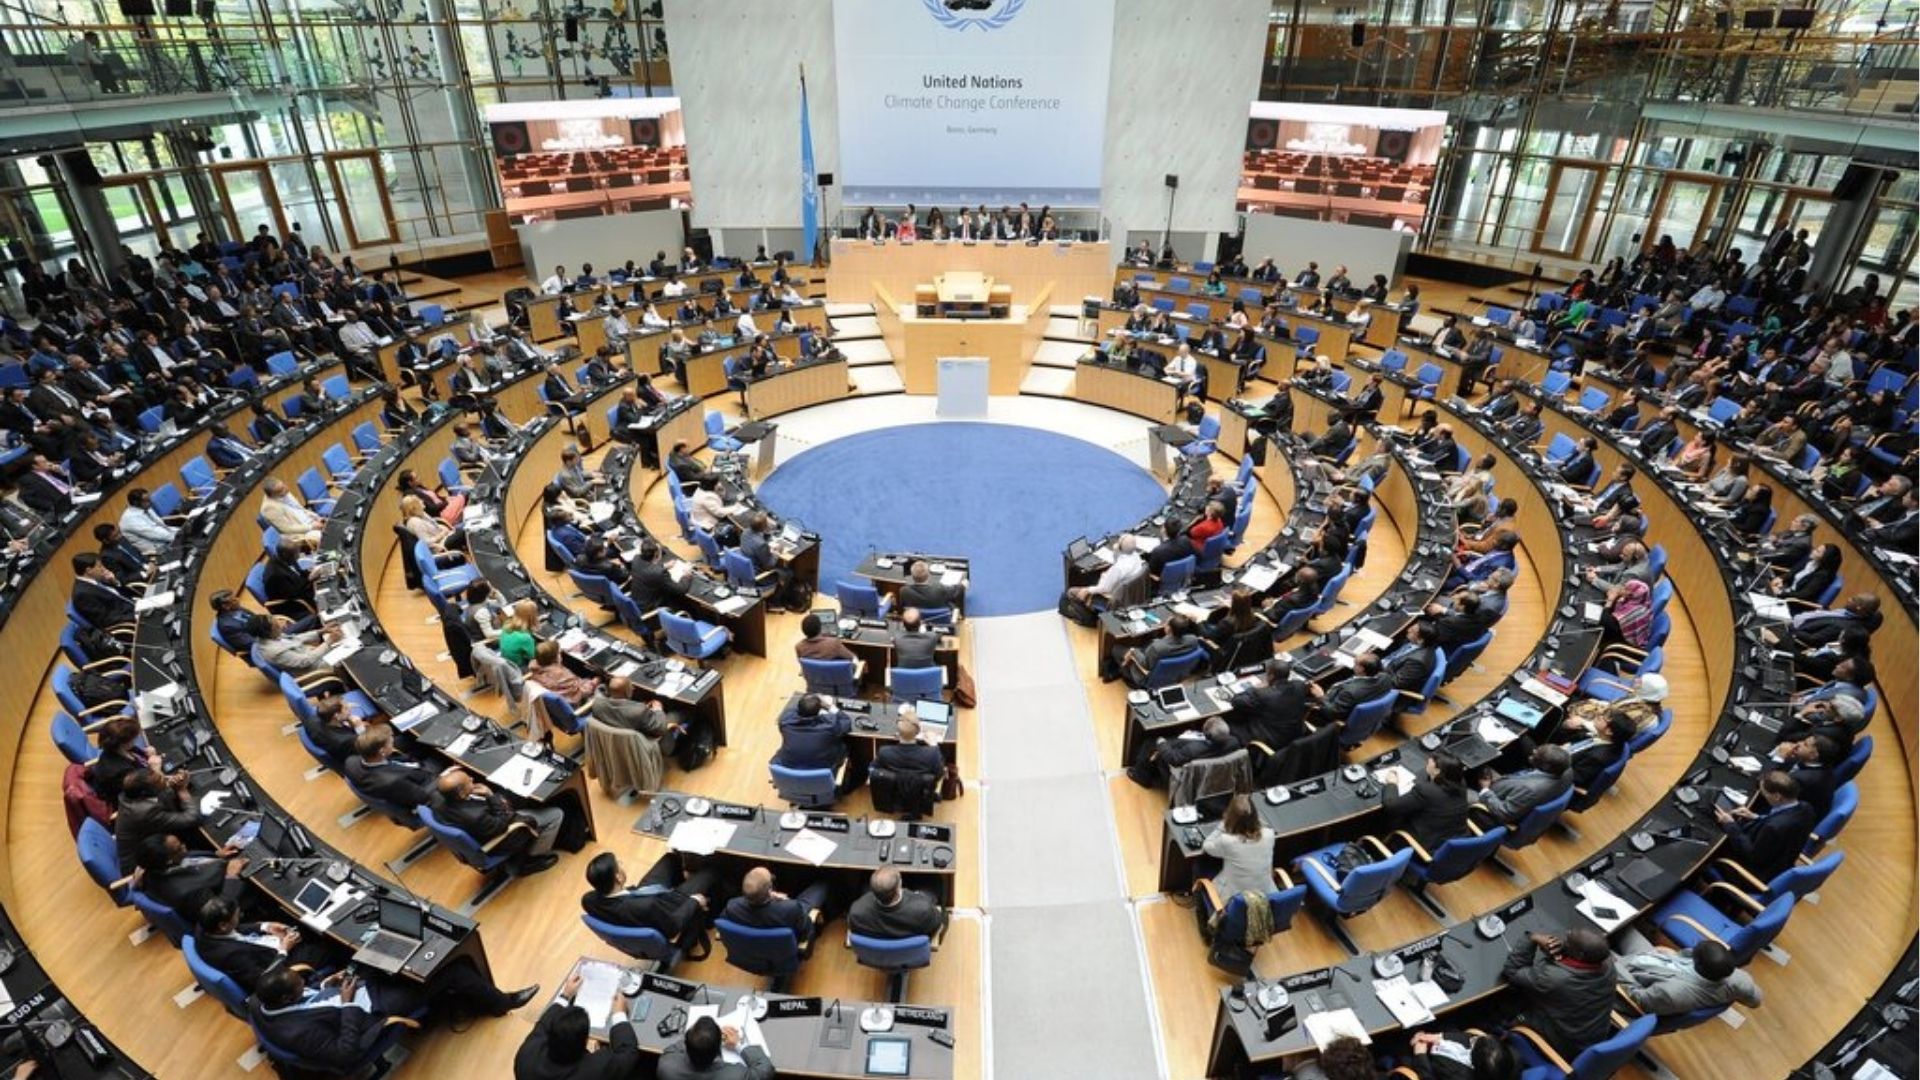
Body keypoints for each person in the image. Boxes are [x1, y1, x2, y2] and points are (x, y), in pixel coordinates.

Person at [1501, 928, 1616, 1059]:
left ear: (1579, 955)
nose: (1566, 933)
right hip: (1590, 1035)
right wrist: (1564, 951)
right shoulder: (1608, 964)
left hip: (1563, 1045)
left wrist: (1532, 938)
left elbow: (1513, 971)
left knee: (1506, 1002)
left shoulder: (1555, 978)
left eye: (1568, 938)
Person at [515, 969, 642, 1079]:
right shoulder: (596, 1070)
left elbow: (542, 1026)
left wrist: (565, 996)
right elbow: (628, 1053)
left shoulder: (526, 1056)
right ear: (585, 1041)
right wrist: (619, 1014)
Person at [580, 852, 718, 952]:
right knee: (711, 872)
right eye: (619, 864)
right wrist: (694, 901)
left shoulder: (588, 900)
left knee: (671, 858)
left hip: (638, 896)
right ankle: (712, 914)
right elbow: (673, 927)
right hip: (668, 909)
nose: (621, 864)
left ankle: (685, 880)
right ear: (618, 878)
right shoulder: (646, 907)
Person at [434, 770, 563, 876]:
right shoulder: (476, 817)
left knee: (512, 794)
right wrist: (490, 795)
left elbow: (439, 785)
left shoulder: (438, 801)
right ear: (461, 794)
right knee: (556, 814)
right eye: (469, 781)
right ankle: (530, 859)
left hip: (481, 827)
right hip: (503, 836)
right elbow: (503, 823)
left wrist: (447, 775)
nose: (472, 778)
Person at [1715, 769, 1819, 882]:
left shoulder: (1773, 827)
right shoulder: (1806, 808)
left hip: (1753, 874)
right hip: (1782, 860)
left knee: (1714, 848)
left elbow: (1752, 855)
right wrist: (1756, 817)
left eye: (1764, 792)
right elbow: (1782, 823)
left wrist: (1730, 825)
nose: (1763, 795)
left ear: (1777, 797)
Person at [1613, 940, 1762, 1017]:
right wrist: (1674, 957)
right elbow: (1755, 1001)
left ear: (1698, 964)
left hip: (1628, 972)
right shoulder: (1739, 979)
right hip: (1657, 958)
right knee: (1625, 922)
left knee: (1594, 945)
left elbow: (1635, 998)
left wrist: (1612, 965)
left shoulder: (1672, 993)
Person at [720, 866, 827, 949]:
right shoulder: (791, 908)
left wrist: (770, 898)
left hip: (753, 947)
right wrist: (786, 901)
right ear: (770, 890)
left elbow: (724, 924)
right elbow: (805, 930)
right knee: (822, 885)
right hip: (785, 947)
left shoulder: (732, 906)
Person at [773, 693, 861, 796]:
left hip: (790, 766)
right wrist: (830, 707)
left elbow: (791, 712)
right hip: (823, 767)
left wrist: (806, 705)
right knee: (849, 744)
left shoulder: (785, 721)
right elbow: (846, 722)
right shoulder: (829, 725)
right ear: (819, 711)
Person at [345, 726, 450, 810]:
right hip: (426, 783)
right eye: (391, 742)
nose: (393, 743)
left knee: (422, 745)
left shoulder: (351, 761)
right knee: (445, 758)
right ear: (382, 751)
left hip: (407, 767)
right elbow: (423, 797)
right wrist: (444, 777)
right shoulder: (393, 781)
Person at [1383, 752, 1471, 852]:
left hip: (1425, 847)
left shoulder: (1426, 791)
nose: (1429, 759)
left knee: (1392, 817)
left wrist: (1391, 783)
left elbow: (1390, 806)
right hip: (1453, 839)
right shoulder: (1461, 783)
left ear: (1438, 771)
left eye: (1433, 759)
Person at [1470, 744, 1573, 826]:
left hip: (1489, 806)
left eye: (1536, 754)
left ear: (1545, 766)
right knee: (1479, 764)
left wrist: (1485, 789)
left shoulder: (1530, 790)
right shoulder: (1567, 770)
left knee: (1456, 790)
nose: (1534, 751)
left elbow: (1504, 813)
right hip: (1509, 787)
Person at [1200, 793, 1277, 898]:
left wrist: (1222, 825)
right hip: (1266, 896)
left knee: (1200, 865)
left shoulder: (1227, 841)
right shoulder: (1269, 835)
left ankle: (1202, 910)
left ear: (1231, 817)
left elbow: (1206, 846)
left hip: (1235, 899)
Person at [657, 1015, 775, 1080]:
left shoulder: (666, 1065)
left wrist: (701, 1037)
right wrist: (739, 1044)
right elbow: (765, 1069)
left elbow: (675, 1047)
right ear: (719, 1050)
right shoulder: (736, 1076)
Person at [1060, 534, 1145, 623]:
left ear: (1120, 547)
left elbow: (1105, 588)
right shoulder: (1136, 556)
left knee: (1071, 592)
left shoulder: (1118, 569)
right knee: (1092, 576)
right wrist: (1117, 553)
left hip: (1110, 596)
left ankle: (1086, 617)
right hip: (1126, 594)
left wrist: (1087, 590)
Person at [1227, 658, 1308, 750]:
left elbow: (1236, 701)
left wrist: (1254, 688)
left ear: (1271, 676)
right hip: (1294, 735)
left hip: (1271, 740)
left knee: (1229, 721)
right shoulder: (1300, 685)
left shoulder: (1264, 694)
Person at [847, 866, 947, 940]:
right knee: (934, 880)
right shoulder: (923, 909)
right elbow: (936, 925)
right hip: (909, 947)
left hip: (881, 946)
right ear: (900, 885)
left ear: (872, 891)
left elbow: (855, 928)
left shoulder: (857, 911)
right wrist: (917, 895)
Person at [1311, 652, 1393, 725]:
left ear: (1361, 669)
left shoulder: (1350, 692)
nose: (1353, 666)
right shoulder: (1386, 678)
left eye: (1355, 664)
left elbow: (1332, 714)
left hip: (1327, 716)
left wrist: (1320, 697)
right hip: (1360, 701)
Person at [1404, 1030, 1518, 1080]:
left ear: (1473, 1065)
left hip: (1428, 1067)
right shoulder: (1510, 1058)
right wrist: (1439, 1036)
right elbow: (1469, 1038)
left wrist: (1420, 1054)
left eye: (1474, 1043)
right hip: (1438, 1048)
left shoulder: (1459, 1077)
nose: (1473, 1039)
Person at [874, 713, 946, 787]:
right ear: (918, 732)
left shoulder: (884, 752)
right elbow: (940, 774)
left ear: (898, 732)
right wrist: (934, 745)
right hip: (921, 795)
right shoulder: (932, 754)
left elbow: (874, 771)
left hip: (892, 794)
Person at [899, 559, 964, 612]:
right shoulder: (938, 589)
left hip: (917, 620)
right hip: (940, 619)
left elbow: (902, 608)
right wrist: (963, 585)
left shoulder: (904, 591)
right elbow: (958, 591)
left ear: (912, 576)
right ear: (928, 575)